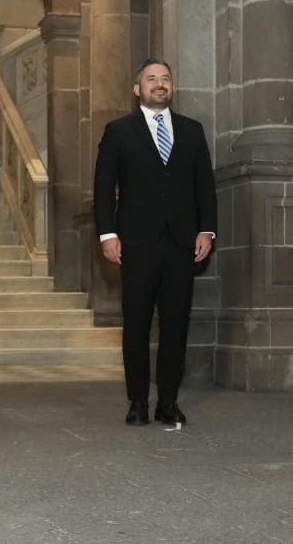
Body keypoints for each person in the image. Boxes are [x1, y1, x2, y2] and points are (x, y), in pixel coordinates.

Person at [94, 58, 217, 427]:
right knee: (136, 323)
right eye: (151, 79)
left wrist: (206, 230)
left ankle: (167, 401)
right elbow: (103, 187)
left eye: (165, 79)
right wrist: (108, 233)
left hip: (182, 243)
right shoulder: (118, 131)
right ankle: (137, 402)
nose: (159, 84)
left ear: (172, 87)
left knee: (176, 325)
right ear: (138, 89)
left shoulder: (192, 131)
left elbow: (204, 187)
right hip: (136, 242)